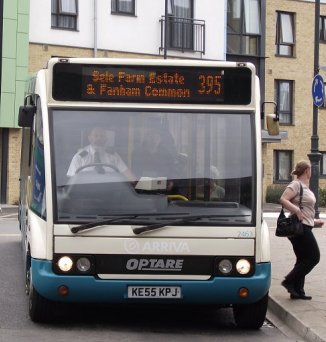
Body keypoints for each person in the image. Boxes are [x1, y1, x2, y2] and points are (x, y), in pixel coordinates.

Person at [280, 160, 324, 300]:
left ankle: (297, 291)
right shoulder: (296, 184)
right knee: (313, 257)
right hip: (299, 228)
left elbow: (306, 210)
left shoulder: (305, 186)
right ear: (307, 170)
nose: (312, 172)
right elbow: (283, 199)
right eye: (311, 169)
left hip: (305, 225)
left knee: (302, 259)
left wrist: (314, 221)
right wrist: (296, 210)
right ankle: (289, 281)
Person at [67, 127, 136, 182]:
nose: (99, 138)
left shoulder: (113, 155)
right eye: (96, 136)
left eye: (102, 136)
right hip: (86, 193)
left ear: (106, 139)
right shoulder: (80, 156)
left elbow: (127, 174)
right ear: (89, 138)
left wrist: (140, 189)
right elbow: (72, 180)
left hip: (111, 192)